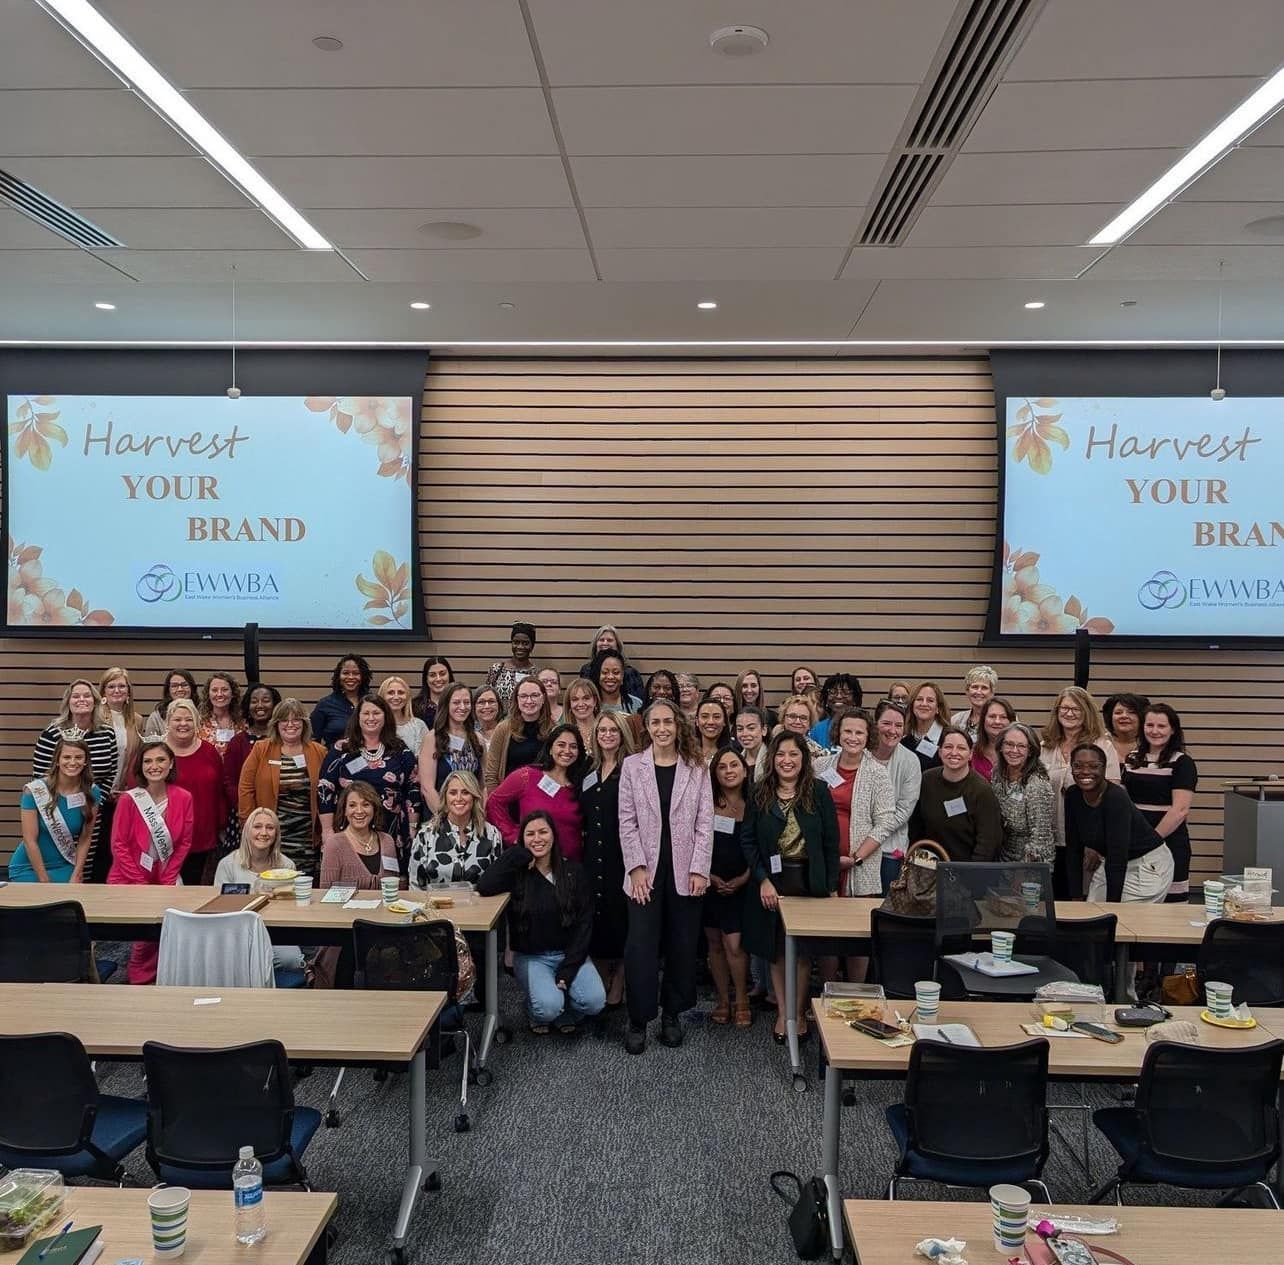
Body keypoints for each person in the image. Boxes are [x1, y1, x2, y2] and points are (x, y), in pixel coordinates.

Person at [618, 699, 713, 1054]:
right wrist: (636, 867)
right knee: (640, 947)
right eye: (655, 722)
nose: (662, 729)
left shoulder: (697, 767)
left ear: (678, 725)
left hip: (686, 872)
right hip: (644, 872)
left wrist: (700, 869)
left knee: (682, 945)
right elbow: (626, 822)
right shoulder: (632, 767)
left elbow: (705, 823)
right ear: (647, 727)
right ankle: (638, 1019)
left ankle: (672, 1014)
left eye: (668, 722)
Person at [740, 732, 840, 1044]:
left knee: (801, 954)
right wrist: (763, 880)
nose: (787, 760)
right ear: (773, 759)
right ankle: (784, 1012)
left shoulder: (819, 791)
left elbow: (830, 842)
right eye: (781, 754)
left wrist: (832, 887)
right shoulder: (759, 793)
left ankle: (797, 1013)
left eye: (793, 755)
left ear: (803, 759)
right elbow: (748, 840)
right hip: (772, 882)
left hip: (809, 882)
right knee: (777, 951)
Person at [477, 810, 605, 1035]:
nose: (537, 839)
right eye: (530, 834)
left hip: (570, 954)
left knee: (594, 1002)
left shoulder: (573, 872)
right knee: (547, 1008)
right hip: (532, 957)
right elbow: (485, 886)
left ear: (554, 835)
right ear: (522, 839)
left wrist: (568, 970)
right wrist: (518, 855)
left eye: (543, 832)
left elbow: (585, 925)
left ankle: (564, 1010)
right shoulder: (517, 874)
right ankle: (539, 1009)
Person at [108, 740, 194, 984]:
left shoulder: (184, 797)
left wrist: (167, 878)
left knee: (173, 924)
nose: (154, 766)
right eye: (147, 761)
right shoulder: (129, 799)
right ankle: (140, 977)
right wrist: (140, 882)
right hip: (130, 875)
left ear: (170, 764)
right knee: (144, 933)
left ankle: (168, 975)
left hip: (166, 872)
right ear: (140, 766)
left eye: (160, 760)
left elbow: (184, 843)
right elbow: (119, 845)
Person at [317, 694, 420, 868]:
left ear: (385, 716)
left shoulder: (400, 750)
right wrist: (327, 830)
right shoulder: (341, 750)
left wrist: (412, 825)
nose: (371, 718)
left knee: (390, 883)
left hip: (393, 831)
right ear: (357, 718)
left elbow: (413, 787)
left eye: (376, 713)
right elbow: (325, 790)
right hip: (349, 829)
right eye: (366, 713)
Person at [1039, 685, 1121, 897]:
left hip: (1085, 843)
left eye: (1076, 709)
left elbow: (1109, 799)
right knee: (1052, 898)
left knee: (1080, 898)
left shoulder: (1102, 746)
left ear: (1087, 712)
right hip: (1049, 839)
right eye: (1064, 708)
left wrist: (1095, 844)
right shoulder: (1045, 746)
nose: (1069, 713)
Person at [1065, 745, 1172, 904]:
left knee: (1120, 920)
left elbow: (1118, 855)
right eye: (1078, 766)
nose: (1085, 772)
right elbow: (1073, 848)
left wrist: (1114, 907)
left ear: (1104, 769)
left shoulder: (1116, 797)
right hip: (1113, 863)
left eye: (1094, 766)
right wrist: (1076, 897)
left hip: (1146, 865)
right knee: (1090, 913)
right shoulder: (1072, 794)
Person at [33, 679, 118, 878]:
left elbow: (111, 772)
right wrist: (62, 805)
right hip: (56, 812)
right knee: (57, 862)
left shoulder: (107, 734)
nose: (82, 699)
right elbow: (39, 775)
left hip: (90, 807)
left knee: (84, 866)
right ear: (68, 702)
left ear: (95, 701)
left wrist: (95, 801)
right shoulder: (52, 733)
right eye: (76, 696)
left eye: (87, 695)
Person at [580, 711, 636, 1008]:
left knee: (622, 919)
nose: (607, 735)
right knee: (597, 917)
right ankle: (601, 975)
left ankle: (622, 981)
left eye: (614, 730)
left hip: (623, 855)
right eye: (602, 730)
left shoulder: (633, 768)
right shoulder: (589, 769)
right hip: (593, 856)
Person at [237, 699, 327, 877]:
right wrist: (249, 826)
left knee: (302, 883)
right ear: (276, 724)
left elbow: (327, 793)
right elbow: (245, 788)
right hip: (270, 835)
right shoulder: (261, 749)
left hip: (307, 839)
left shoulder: (319, 751)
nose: (290, 725)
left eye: (296, 720)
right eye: (284, 720)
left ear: (304, 723)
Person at [213, 809, 307, 975]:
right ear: (247, 831)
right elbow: (219, 909)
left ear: (276, 833)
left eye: (270, 828)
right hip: (237, 933)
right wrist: (256, 897)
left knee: (293, 960)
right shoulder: (227, 865)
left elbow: (292, 909)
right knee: (238, 959)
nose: (263, 833)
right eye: (257, 826)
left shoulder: (287, 866)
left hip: (275, 931)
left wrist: (280, 895)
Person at [815, 709, 896, 899]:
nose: (853, 738)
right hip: (822, 862)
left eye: (859, 733)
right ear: (838, 733)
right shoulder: (820, 766)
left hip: (859, 866)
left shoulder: (878, 773)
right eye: (847, 731)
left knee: (854, 924)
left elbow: (885, 823)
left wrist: (856, 858)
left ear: (868, 737)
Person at [1123, 704, 1198, 904]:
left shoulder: (1183, 763)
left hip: (1169, 842)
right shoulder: (1131, 759)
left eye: (1161, 726)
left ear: (1173, 729)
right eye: (1150, 725)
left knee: (1171, 905)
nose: (1155, 731)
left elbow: (1180, 810)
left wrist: (1152, 841)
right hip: (1135, 844)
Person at [486, 724, 585, 861]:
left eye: (573, 746)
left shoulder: (580, 785)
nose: (567, 750)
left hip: (571, 868)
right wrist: (513, 835)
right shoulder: (527, 776)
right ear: (550, 749)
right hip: (533, 865)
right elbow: (493, 803)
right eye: (561, 745)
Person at [156, 699, 228, 886]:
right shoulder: (154, 753)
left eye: (188, 719)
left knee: (195, 888)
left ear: (196, 722)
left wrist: (221, 825)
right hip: (163, 838)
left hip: (202, 835)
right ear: (168, 722)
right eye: (177, 719)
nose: (183, 724)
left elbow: (220, 790)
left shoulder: (210, 752)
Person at [705, 748, 752, 1028]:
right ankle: (723, 999)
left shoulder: (755, 803)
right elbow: (694, 842)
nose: (729, 771)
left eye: (734, 765)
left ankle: (742, 999)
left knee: (734, 944)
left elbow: (761, 845)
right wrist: (709, 876)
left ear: (745, 771)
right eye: (722, 767)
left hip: (744, 884)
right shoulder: (706, 802)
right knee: (714, 943)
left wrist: (745, 877)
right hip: (710, 883)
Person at [13, 738, 101, 883]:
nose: (72, 762)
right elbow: (30, 840)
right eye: (67, 757)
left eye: (78, 757)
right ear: (57, 760)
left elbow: (86, 837)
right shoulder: (34, 791)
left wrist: (77, 873)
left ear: (86, 761)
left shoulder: (92, 792)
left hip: (65, 865)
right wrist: (44, 880)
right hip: (29, 867)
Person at [908, 728, 1002, 863]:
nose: (954, 753)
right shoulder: (927, 780)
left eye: (961, 748)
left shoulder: (981, 790)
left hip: (965, 871)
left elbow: (987, 841)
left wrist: (969, 875)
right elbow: (916, 827)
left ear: (970, 754)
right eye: (948, 747)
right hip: (928, 868)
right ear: (940, 752)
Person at [408, 770, 504, 889]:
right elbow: (415, 886)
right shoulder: (426, 835)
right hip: (435, 906)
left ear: (474, 797)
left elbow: (498, 883)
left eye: (465, 792)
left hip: (479, 906)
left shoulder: (491, 834)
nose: (459, 798)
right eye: (453, 793)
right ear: (445, 797)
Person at [869, 699, 923, 893]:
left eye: (899, 725)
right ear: (875, 724)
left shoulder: (910, 761)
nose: (892, 730)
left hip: (890, 849)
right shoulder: (861, 753)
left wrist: (874, 836)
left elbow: (903, 811)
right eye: (886, 723)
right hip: (856, 846)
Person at [991, 722, 1056, 865]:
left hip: (1028, 866)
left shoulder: (1037, 786)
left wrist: (1023, 873)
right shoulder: (997, 774)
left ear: (1030, 751)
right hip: (1001, 859)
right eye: (1009, 744)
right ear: (1001, 747)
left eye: (1021, 746)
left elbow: (1041, 840)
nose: (1014, 750)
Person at [319, 781, 400, 890]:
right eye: (352, 805)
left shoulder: (387, 841)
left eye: (366, 805)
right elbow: (325, 893)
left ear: (374, 809)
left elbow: (394, 886)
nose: (359, 811)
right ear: (345, 811)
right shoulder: (334, 844)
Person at [421, 682, 484, 812]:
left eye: (467, 702)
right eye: (456, 702)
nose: (462, 707)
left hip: (472, 816)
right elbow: (427, 788)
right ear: (446, 705)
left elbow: (484, 785)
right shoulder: (432, 738)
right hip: (440, 816)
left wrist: (479, 814)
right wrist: (448, 819)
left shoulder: (478, 739)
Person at [483, 676, 553, 792]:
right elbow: (491, 775)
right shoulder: (503, 729)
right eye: (524, 696)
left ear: (544, 698)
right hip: (510, 799)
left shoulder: (554, 730)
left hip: (543, 800)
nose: (529, 701)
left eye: (535, 695)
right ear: (517, 699)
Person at [223, 682, 281, 816]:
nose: (260, 705)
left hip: (280, 812)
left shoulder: (283, 740)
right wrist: (244, 807)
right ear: (248, 707)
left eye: (266, 701)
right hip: (245, 813)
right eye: (254, 701)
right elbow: (229, 781)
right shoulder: (237, 742)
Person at [310, 654, 371, 747]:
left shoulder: (373, 703)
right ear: (338, 676)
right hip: (335, 758)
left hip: (371, 759)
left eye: (356, 673)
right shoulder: (325, 705)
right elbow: (314, 740)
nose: (350, 677)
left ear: (363, 676)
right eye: (346, 673)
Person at [99, 666, 141, 793]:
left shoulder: (137, 720)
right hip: (95, 792)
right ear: (103, 692)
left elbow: (135, 759)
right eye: (111, 687)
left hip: (122, 792)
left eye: (122, 686)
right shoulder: (94, 717)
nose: (117, 690)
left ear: (129, 691)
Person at [577, 625, 646, 703]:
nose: (605, 643)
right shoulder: (586, 670)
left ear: (617, 645)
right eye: (601, 640)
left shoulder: (630, 673)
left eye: (609, 640)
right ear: (596, 645)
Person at [486, 620, 537, 708]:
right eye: (516, 642)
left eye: (525, 643)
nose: (520, 647)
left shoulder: (536, 674)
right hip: (500, 721)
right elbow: (486, 696)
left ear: (532, 646)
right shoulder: (497, 669)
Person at [902, 680, 950, 772]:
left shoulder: (948, 738)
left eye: (930, 700)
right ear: (912, 705)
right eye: (919, 699)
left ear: (938, 708)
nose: (924, 704)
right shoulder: (903, 739)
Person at [379, 675, 430, 760]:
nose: (396, 697)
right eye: (390, 692)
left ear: (407, 696)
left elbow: (424, 760)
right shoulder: (374, 725)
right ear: (382, 696)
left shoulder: (418, 726)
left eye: (401, 692)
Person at [970, 697, 1018, 781]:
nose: (997, 721)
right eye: (992, 716)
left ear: (1011, 721)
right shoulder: (971, 753)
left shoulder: (1020, 753)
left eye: (1003, 717)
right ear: (983, 720)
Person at [197, 671, 243, 758]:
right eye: (214, 690)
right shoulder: (199, 722)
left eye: (224, 690)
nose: (219, 694)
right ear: (208, 694)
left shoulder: (243, 722)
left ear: (232, 693)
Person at [810, 673, 862, 749]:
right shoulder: (818, 729)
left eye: (846, 692)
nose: (839, 696)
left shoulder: (864, 727)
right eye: (833, 691)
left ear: (855, 699)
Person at [142, 668, 196, 738]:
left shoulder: (202, 713)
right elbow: (150, 746)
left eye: (184, 685)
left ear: (192, 688)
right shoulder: (156, 718)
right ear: (168, 690)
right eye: (174, 686)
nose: (180, 689)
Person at [950, 666, 999, 742]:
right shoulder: (956, 720)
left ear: (992, 692)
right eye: (975, 687)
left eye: (984, 688)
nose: (978, 692)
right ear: (967, 691)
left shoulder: (1004, 720)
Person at [1103, 692, 1150, 771]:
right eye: (1118, 713)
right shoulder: (1099, 743)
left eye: (1132, 712)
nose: (1124, 716)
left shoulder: (1152, 746)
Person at [588, 649, 642, 714]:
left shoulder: (636, 705)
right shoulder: (588, 705)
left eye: (616, 672)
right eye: (605, 672)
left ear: (622, 676)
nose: (610, 677)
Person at [776, 693, 829, 759]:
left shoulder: (819, 754)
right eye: (792, 716)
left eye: (803, 718)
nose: (797, 721)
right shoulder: (772, 747)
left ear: (810, 723)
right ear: (783, 719)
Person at [412, 656, 455, 727]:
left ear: (449, 676)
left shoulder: (460, 703)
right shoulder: (414, 706)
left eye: (442, 674)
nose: (438, 679)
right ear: (426, 679)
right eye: (432, 675)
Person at [564, 678, 601, 751]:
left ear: (595, 701)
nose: (581, 704)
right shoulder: (563, 733)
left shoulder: (605, 730)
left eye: (586, 698)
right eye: (575, 699)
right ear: (569, 704)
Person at [733, 705, 769, 779]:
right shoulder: (735, 759)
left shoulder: (773, 759)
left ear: (764, 730)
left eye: (751, 728)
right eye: (740, 729)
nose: (744, 734)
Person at [695, 695, 731, 766]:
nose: (710, 722)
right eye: (704, 716)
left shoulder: (733, 754)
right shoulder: (686, 754)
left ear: (724, 721)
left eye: (716, 717)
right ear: (697, 721)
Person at [472, 685, 502, 750]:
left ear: (499, 706)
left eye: (491, 701)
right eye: (481, 702)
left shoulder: (507, 731)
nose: (487, 706)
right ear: (474, 707)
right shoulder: (469, 733)